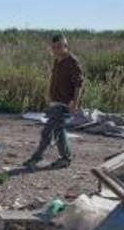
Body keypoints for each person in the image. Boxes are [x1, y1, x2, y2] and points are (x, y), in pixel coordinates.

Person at [24, 34, 84, 170]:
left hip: (64, 104)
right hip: (55, 102)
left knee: (47, 132)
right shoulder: (57, 61)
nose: (56, 50)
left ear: (65, 46)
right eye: (54, 47)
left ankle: (35, 159)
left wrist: (75, 102)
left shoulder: (72, 62)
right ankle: (65, 158)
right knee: (58, 131)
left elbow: (79, 84)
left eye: (59, 47)